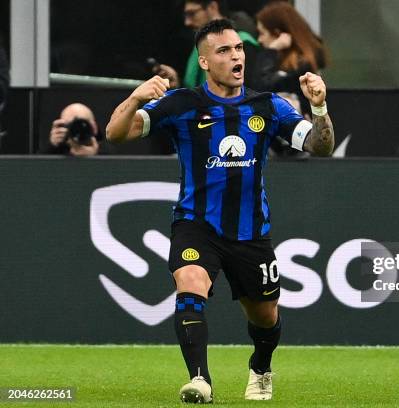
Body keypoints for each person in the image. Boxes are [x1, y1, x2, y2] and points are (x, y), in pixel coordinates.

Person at [106, 19, 334, 403]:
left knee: (264, 315)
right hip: (196, 224)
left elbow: (319, 145)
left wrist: (319, 107)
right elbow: (115, 134)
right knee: (190, 282)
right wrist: (135, 98)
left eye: (239, 49)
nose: (236, 56)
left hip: (250, 231)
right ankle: (200, 380)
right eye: (224, 51)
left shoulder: (268, 106)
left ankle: (261, 366)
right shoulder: (182, 104)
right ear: (205, 61)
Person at [156, 0, 260, 89]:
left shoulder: (243, 43)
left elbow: (247, 92)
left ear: (212, 7)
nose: (187, 22)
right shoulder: (200, 45)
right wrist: (178, 83)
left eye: (192, 13)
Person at [254, 1, 329, 115]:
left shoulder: (301, 65)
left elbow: (261, 87)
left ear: (278, 34)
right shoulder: (282, 59)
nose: (259, 39)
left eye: (262, 33)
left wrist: (271, 50)